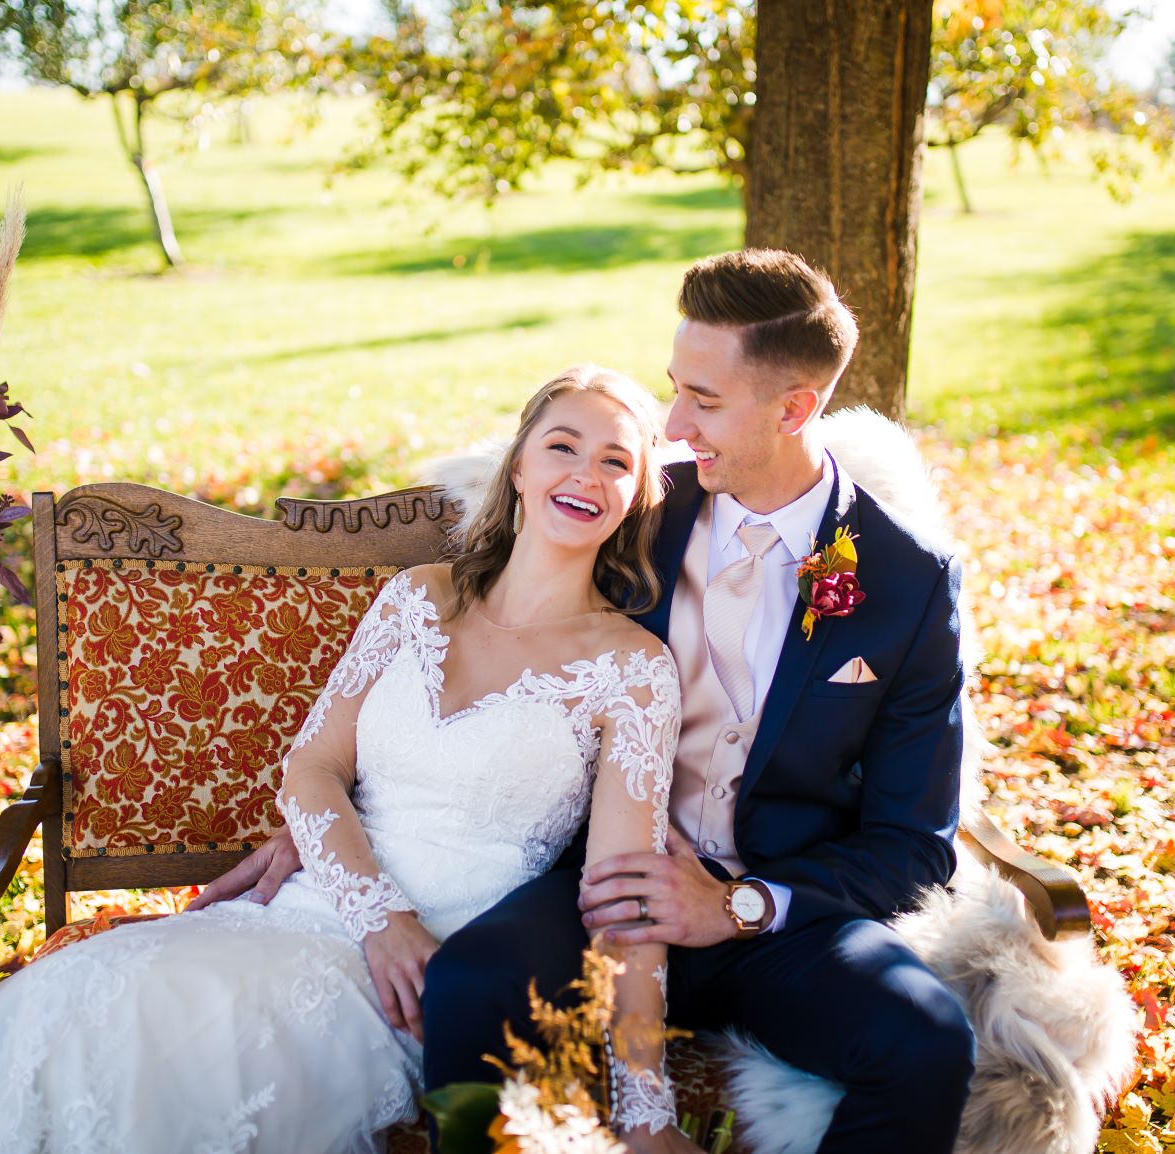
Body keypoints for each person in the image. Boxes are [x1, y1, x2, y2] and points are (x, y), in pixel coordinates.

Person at [213, 249, 976, 1154]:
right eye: (674, 389)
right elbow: (499, 639)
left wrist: (738, 906)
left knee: (926, 1041)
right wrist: (349, 812)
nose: (675, 424)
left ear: (796, 407)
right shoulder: (631, 499)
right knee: (466, 990)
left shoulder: (906, 583)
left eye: (703, 399)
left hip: (780, 920)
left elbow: (915, 844)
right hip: (587, 888)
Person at [0, 365, 687, 1154]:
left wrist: (648, 1112)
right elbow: (311, 769)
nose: (585, 474)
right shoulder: (418, 596)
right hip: (317, 908)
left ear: (641, 495)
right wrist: (379, 916)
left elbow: (629, 896)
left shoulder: (632, 670)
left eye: (616, 460)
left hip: (432, 975)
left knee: (206, 1059)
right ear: (518, 465)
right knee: (75, 1004)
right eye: (562, 446)